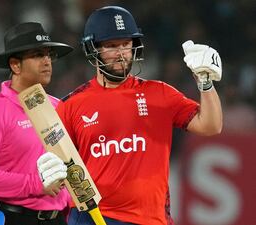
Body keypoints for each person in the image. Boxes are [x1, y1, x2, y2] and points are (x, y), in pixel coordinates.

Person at [56, 6, 223, 225]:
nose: (121, 53)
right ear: (92, 49)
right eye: (111, 46)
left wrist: (205, 83)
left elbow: (211, 126)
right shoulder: (71, 105)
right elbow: (58, 167)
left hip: (151, 218)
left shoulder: (160, 93)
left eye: (126, 44)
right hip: (94, 217)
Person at [0, 22, 74, 225]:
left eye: (49, 54)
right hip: (14, 218)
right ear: (15, 65)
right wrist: (36, 185)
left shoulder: (58, 107)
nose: (47, 61)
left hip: (58, 220)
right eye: (38, 55)